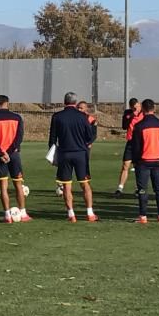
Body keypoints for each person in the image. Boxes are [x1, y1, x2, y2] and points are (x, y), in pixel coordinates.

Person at [49, 91, 98, 222]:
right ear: (75, 103)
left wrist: (52, 155)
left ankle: (71, 214)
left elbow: (52, 139)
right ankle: (90, 213)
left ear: (64, 102)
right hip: (81, 154)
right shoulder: (83, 116)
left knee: (66, 185)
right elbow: (89, 137)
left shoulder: (57, 116)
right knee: (85, 184)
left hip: (64, 154)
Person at [0, 94, 31, 223]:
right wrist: (9, 152)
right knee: (18, 184)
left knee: (3, 187)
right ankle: (23, 213)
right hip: (14, 155)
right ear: (7, 103)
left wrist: (1, 153)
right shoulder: (16, 118)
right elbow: (19, 138)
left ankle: (7, 215)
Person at [130, 98, 159, 223]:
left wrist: (135, 161)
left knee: (142, 189)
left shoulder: (139, 126)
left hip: (143, 161)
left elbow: (136, 146)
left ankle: (143, 216)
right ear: (154, 108)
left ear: (143, 110)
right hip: (157, 160)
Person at [115, 98, 143, 197]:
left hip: (140, 143)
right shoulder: (128, 113)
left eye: (137, 107)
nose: (136, 109)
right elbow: (124, 126)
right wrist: (131, 116)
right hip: (130, 142)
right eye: (133, 108)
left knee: (138, 166)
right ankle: (120, 188)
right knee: (125, 165)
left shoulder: (144, 113)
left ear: (139, 105)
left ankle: (138, 188)